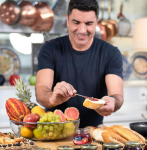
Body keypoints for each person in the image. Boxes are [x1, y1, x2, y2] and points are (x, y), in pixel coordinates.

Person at [35, 0, 124, 128]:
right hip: (53, 132)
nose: (82, 30)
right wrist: (52, 98)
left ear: (96, 22)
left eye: (89, 23)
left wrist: (113, 102)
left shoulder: (111, 53)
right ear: (67, 19)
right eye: (76, 22)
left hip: (93, 133)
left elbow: (117, 96)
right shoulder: (49, 49)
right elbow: (41, 91)